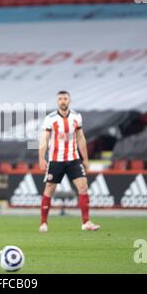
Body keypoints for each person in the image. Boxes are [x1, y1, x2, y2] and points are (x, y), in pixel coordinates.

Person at [39, 91, 100, 232]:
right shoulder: (50, 118)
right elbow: (44, 139)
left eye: (65, 98)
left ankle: (86, 222)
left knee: (83, 186)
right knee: (49, 188)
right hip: (56, 160)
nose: (62, 101)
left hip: (73, 159)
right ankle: (43, 223)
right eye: (60, 99)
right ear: (57, 101)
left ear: (69, 100)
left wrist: (85, 158)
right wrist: (41, 158)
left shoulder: (76, 117)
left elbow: (80, 138)